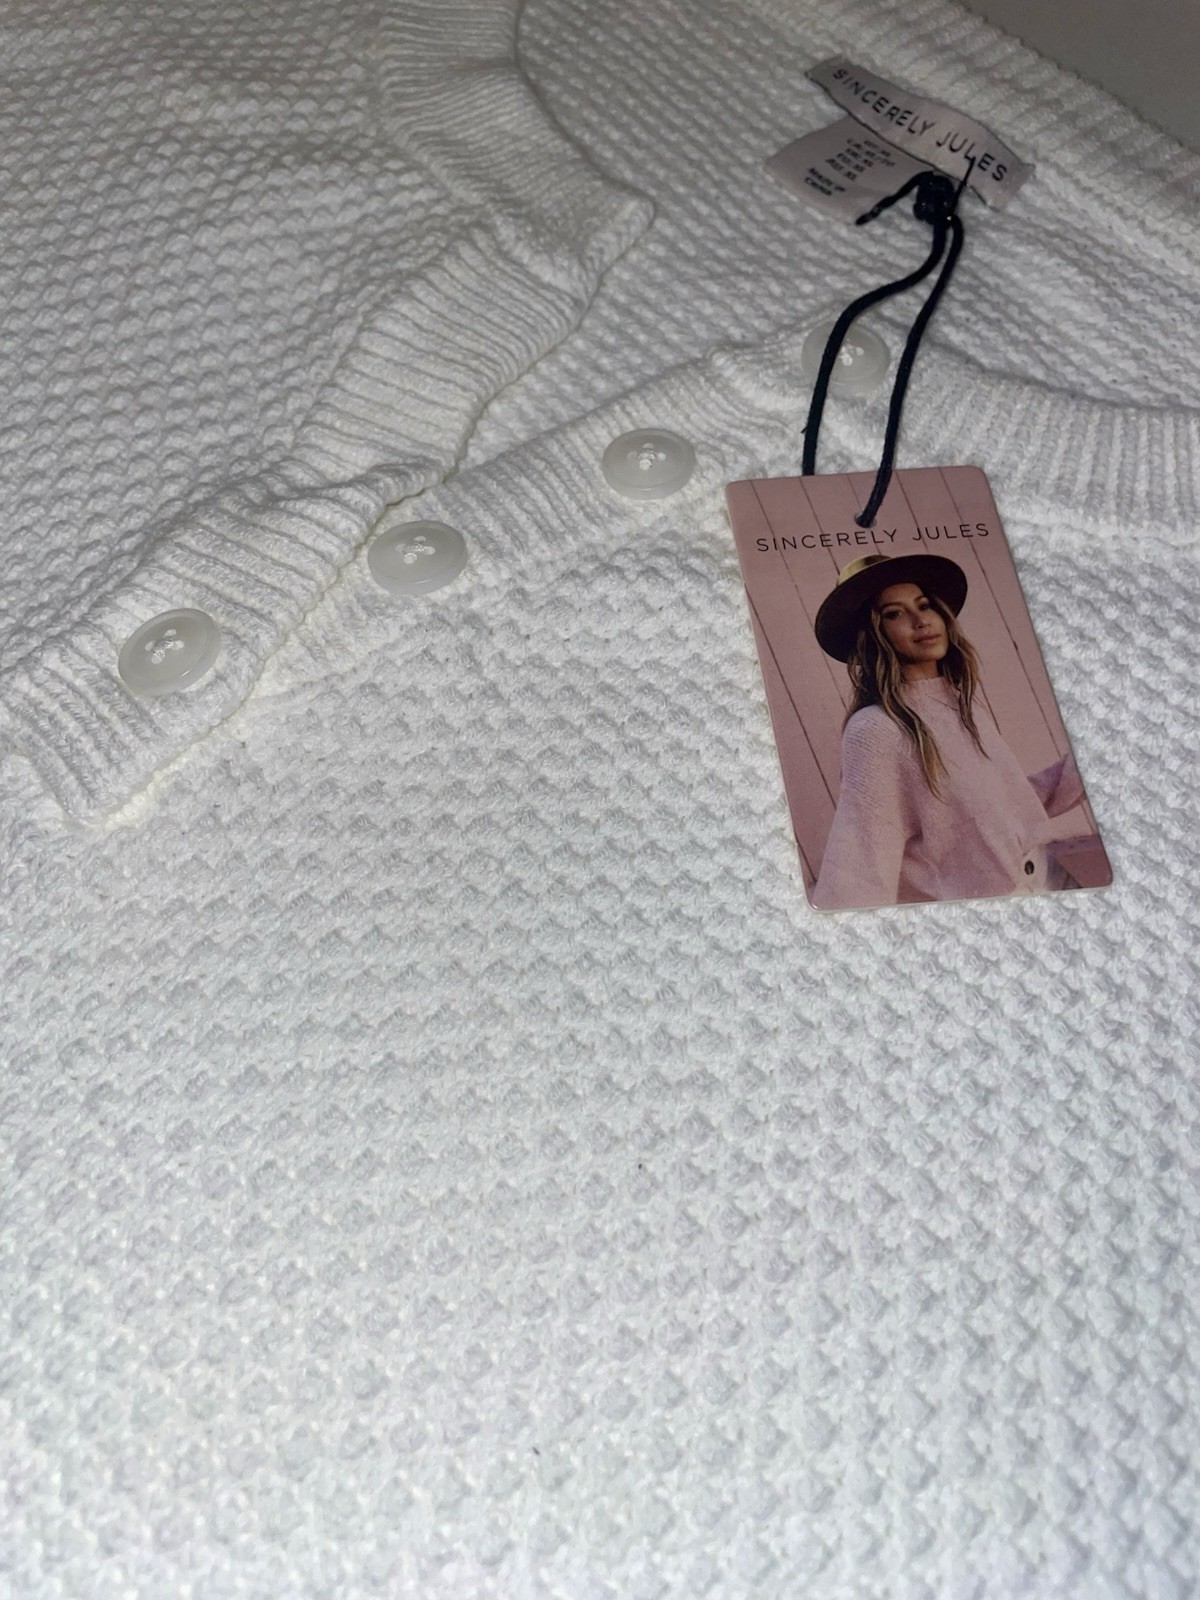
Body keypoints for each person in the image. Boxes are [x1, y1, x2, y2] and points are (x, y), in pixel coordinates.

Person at [810, 553, 1084, 910]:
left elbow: (998, 806)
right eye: (894, 613)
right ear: (873, 635)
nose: (920, 620)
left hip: (1052, 879)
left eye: (924, 605)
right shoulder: (875, 730)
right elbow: (862, 858)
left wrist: (1083, 766)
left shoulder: (960, 703)